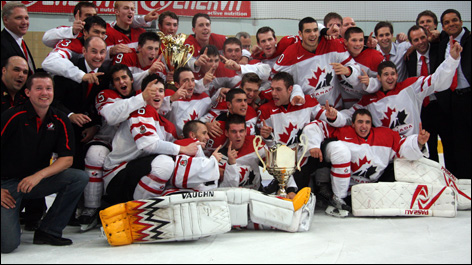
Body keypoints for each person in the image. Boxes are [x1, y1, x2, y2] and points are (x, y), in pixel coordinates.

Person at [1, 72, 88, 253]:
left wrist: (38, 176)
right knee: (7, 245)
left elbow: (67, 159)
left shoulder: (59, 119)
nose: (44, 93)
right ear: (27, 92)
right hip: (6, 186)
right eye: (39, 88)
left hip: (34, 182)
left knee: (78, 177)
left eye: (48, 88)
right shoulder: (12, 117)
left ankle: (48, 230)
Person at [327, 38, 462, 139]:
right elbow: (350, 116)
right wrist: (335, 116)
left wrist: (452, 59)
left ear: (397, 75)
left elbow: (437, 80)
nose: (390, 78)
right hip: (387, 151)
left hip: (412, 146)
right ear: (378, 77)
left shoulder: (410, 87)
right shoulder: (368, 100)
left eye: (393, 74)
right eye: (386, 75)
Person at [78, 64, 159, 231]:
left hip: (133, 146)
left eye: (124, 77)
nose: (121, 82)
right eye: (117, 79)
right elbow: (111, 116)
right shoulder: (106, 95)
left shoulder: (141, 93)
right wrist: (141, 98)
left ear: (131, 79)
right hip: (108, 142)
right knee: (95, 154)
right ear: (113, 84)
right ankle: (92, 207)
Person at [302, 108, 429, 213]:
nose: (364, 126)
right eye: (360, 122)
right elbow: (315, 126)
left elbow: (403, 146)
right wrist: (313, 144)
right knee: (340, 150)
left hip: (371, 186)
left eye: (367, 122)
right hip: (347, 186)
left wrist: (419, 143)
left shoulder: (386, 135)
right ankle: (338, 198)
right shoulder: (343, 131)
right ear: (352, 124)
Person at [102, 74, 203, 205]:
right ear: (143, 93)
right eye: (152, 91)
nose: (157, 94)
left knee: (186, 154)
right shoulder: (139, 110)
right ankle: (140, 211)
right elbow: (149, 145)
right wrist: (182, 148)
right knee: (164, 163)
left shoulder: (165, 124)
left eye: (161, 91)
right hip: (117, 175)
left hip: (136, 173)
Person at [273, 17, 361, 110]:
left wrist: (348, 71)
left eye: (315, 30)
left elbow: (355, 70)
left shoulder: (333, 44)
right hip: (309, 111)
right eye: (307, 31)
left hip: (336, 109)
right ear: (300, 34)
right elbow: (274, 78)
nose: (312, 34)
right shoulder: (290, 53)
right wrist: (294, 93)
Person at [53, 36, 110, 170]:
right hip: (64, 128)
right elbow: (54, 101)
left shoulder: (106, 75)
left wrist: (95, 126)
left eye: (102, 52)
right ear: (84, 51)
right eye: (94, 51)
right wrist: (70, 115)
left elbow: (100, 105)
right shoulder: (68, 70)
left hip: (87, 131)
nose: (98, 56)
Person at [219, 114, 298, 198]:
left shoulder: (255, 144)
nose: (238, 135)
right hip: (234, 200)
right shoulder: (219, 156)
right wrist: (231, 164)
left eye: (241, 131)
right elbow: (225, 189)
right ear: (226, 133)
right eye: (234, 132)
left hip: (258, 196)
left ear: (246, 131)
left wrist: (291, 190)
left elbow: (277, 164)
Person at [139, 120, 223, 198]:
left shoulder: (196, 150)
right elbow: (180, 176)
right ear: (193, 135)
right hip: (176, 196)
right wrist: (213, 162)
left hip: (186, 198)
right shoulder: (188, 144)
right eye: (204, 133)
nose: (208, 137)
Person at [436, 9, 471, 179]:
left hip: (469, 95)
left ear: (462, 21)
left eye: (454, 20)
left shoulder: (470, 39)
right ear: (443, 27)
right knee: (458, 142)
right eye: (447, 22)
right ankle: (460, 180)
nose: (451, 24)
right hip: (453, 99)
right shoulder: (443, 42)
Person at [41, 1, 157, 48]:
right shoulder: (67, 32)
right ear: (78, 16)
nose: (92, 19)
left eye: (94, 15)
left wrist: (144, 18)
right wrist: (73, 31)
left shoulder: (104, 28)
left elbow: (122, 22)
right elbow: (46, 38)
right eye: (88, 15)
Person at [405, 25, 445, 163]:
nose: (420, 42)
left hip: (441, 105)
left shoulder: (438, 50)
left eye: (423, 37)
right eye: (416, 40)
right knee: (429, 145)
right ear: (411, 43)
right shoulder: (409, 58)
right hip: (422, 108)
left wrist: (438, 35)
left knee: (449, 142)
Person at [42, 15, 108, 85]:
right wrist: (81, 75)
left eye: (103, 33)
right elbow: (49, 61)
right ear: (85, 32)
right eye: (96, 32)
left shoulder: (103, 43)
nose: (100, 36)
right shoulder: (72, 44)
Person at [201, 88, 257, 156]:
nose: (244, 104)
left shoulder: (252, 115)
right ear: (229, 105)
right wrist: (205, 125)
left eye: (245, 100)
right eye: (239, 101)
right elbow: (196, 122)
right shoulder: (217, 121)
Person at [340, 27, 384, 108]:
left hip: (366, 106)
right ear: (345, 42)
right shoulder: (339, 53)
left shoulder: (375, 56)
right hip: (341, 106)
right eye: (354, 40)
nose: (358, 44)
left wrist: (370, 82)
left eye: (361, 40)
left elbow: (383, 82)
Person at [164, 67, 212, 137]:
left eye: (193, 80)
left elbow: (214, 109)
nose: (191, 84)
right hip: (174, 143)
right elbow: (158, 111)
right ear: (177, 85)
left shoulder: (204, 99)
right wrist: (171, 99)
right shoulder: (170, 99)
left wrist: (205, 122)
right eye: (186, 81)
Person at [1, 2, 35, 77]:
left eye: (26, 18)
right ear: (6, 20)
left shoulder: (20, 41)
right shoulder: (2, 43)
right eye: (19, 18)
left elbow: (30, 71)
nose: (24, 22)